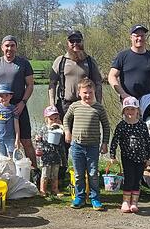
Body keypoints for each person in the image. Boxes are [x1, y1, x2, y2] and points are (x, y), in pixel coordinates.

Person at [48, 29, 103, 187]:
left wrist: (98, 104)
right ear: (68, 43)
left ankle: (85, 175)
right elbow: (52, 84)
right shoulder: (60, 60)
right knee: (62, 141)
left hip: (86, 107)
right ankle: (60, 176)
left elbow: (98, 83)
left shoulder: (90, 62)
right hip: (64, 105)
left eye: (78, 41)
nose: (75, 44)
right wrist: (52, 105)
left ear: (82, 42)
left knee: (85, 139)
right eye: (72, 41)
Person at [0, 35, 37, 168]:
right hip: (1, 109)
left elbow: (30, 85)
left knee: (26, 141)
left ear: (16, 47)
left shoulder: (24, 64)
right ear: (2, 47)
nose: (9, 48)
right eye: (7, 45)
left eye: (12, 45)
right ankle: (4, 173)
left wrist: (23, 102)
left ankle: (34, 172)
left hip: (18, 107)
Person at [64, 78, 109, 210]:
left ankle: (95, 198)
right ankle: (80, 197)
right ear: (79, 93)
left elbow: (106, 126)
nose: (87, 95)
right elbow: (66, 118)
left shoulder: (99, 108)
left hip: (93, 146)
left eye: (90, 92)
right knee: (78, 174)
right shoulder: (75, 106)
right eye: (85, 92)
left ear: (94, 92)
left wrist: (105, 143)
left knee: (93, 174)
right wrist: (67, 132)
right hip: (77, 146)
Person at [110, 97, 150, 213]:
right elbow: (115, 140)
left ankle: (134, 202)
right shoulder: (121, 125)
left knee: (137, 179)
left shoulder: (142, 125)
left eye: (132, 109)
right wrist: (112, 155)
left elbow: (148, 141)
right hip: (127, 157)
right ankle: (125, 202)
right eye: (127, 109)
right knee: (129, 178)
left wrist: (148, 157)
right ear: (123, 111)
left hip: (141, 157)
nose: (130, 112)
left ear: (137, 111)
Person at [108, 25, 150, 101]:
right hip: (129, 102)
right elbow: (112, 76)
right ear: (131, 38)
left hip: (149, 102)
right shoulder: (122, 56)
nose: (139, 38)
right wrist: (122, 93)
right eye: (136, 36)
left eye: (142, 36)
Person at [34, 106, 63, 196]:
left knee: (55, 174)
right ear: (46, 119)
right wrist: (37, 141)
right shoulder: (43, 129)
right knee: (45, 174)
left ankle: (55, 189)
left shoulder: (59, 128)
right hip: (46, 155)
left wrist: (61, 126)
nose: (53, 121)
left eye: (56, 118)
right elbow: (38, 140)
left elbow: (63, 140)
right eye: (51, 119)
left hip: (56, 155)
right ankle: (42, 190)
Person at [0, 83, 19, 157]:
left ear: (11, 96)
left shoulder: (13, 108)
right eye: (1, 96)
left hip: (11, 139)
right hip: (0, 139)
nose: (4, 98)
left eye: (6, 95)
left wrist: (17, 139)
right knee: (1, 158)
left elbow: (16, 125)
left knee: (12, 158)